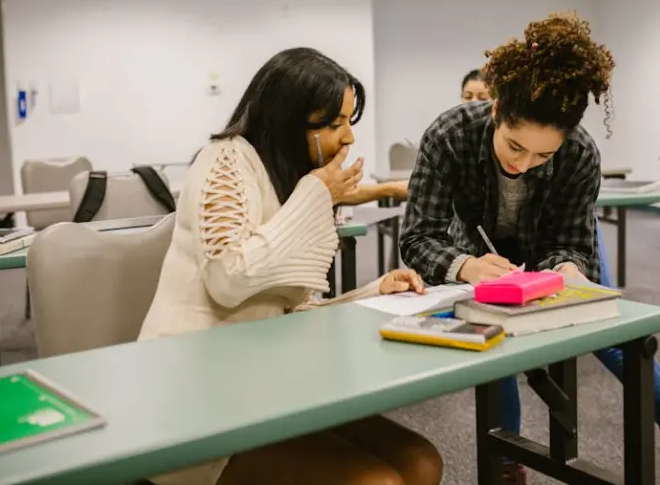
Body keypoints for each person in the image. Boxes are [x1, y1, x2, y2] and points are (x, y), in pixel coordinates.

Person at [399, 13, 660, 485]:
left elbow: (568, 242)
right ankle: (506, 463)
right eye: (514, 146)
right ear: (494, 111)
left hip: (552, 243)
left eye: (542, 156)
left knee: (615, 340)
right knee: (491, 334)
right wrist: (465, 265)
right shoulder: (449, 136)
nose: (523, 164)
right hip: (481, 247)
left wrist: (568, 272)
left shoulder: (581, 153)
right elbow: (418, 236)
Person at [139, 47, 443, 485]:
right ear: (288, 119)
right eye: (335, 124)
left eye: (348, 123)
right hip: (199, 404)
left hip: (263, 390)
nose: (349, 138)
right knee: (377, 482)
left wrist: (372, 291)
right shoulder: (225, 159)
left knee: (421, 463)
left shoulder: (284, 179)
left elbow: (290, 312)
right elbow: (229, 277)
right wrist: (319, 192)